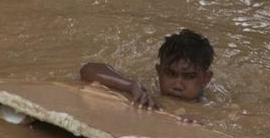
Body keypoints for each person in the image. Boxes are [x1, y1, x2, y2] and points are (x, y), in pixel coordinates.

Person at [79, 29, 215, 110]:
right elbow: (88, 69)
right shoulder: (146, 90)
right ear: (159, 71)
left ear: (206, 79)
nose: (177, 85)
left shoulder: (213, 107)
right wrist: (131, 86)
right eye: (171, 74)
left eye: (189, 76)